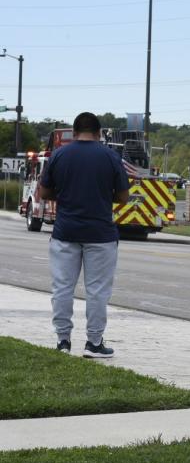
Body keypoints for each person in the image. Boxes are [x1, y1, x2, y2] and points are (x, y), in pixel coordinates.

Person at [39, 112, 130, 359]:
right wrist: (100, 196)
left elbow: (44, 192)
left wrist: (67, 194)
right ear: (99, 133)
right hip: (101, 234)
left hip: (65, 232)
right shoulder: (111, 156)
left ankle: (63, 341)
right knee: (98, 291)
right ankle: (94, 343)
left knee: (62, 288)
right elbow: (123, 196)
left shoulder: (59, 155)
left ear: (74, 132)